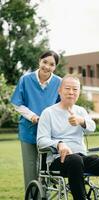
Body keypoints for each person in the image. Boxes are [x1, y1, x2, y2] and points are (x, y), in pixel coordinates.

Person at [37, 74, 99, 200]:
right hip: (58, 160)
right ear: (59, 90)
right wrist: (59, 144)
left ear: (79, 92)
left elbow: (92, 127)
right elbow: (41, 141)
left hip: (81, 159)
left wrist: (81, 121)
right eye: (67, 88)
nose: (71, 92)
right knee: (75, 160)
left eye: (75, 89)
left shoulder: (81, 111)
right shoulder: (48, 113)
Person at [11, 50, 62, 190]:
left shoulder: (59, 82)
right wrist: (32, 116)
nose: (47, 66)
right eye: (45, 62)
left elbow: (61, 105)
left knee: (47, 170)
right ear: (39, 61)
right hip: (28, 130)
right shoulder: (26, 79)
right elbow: (17, 103)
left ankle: (45, 195)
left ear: (55, 67)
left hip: (49, 132)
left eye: (52, 64)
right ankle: (32, 196)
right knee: (30, 168)